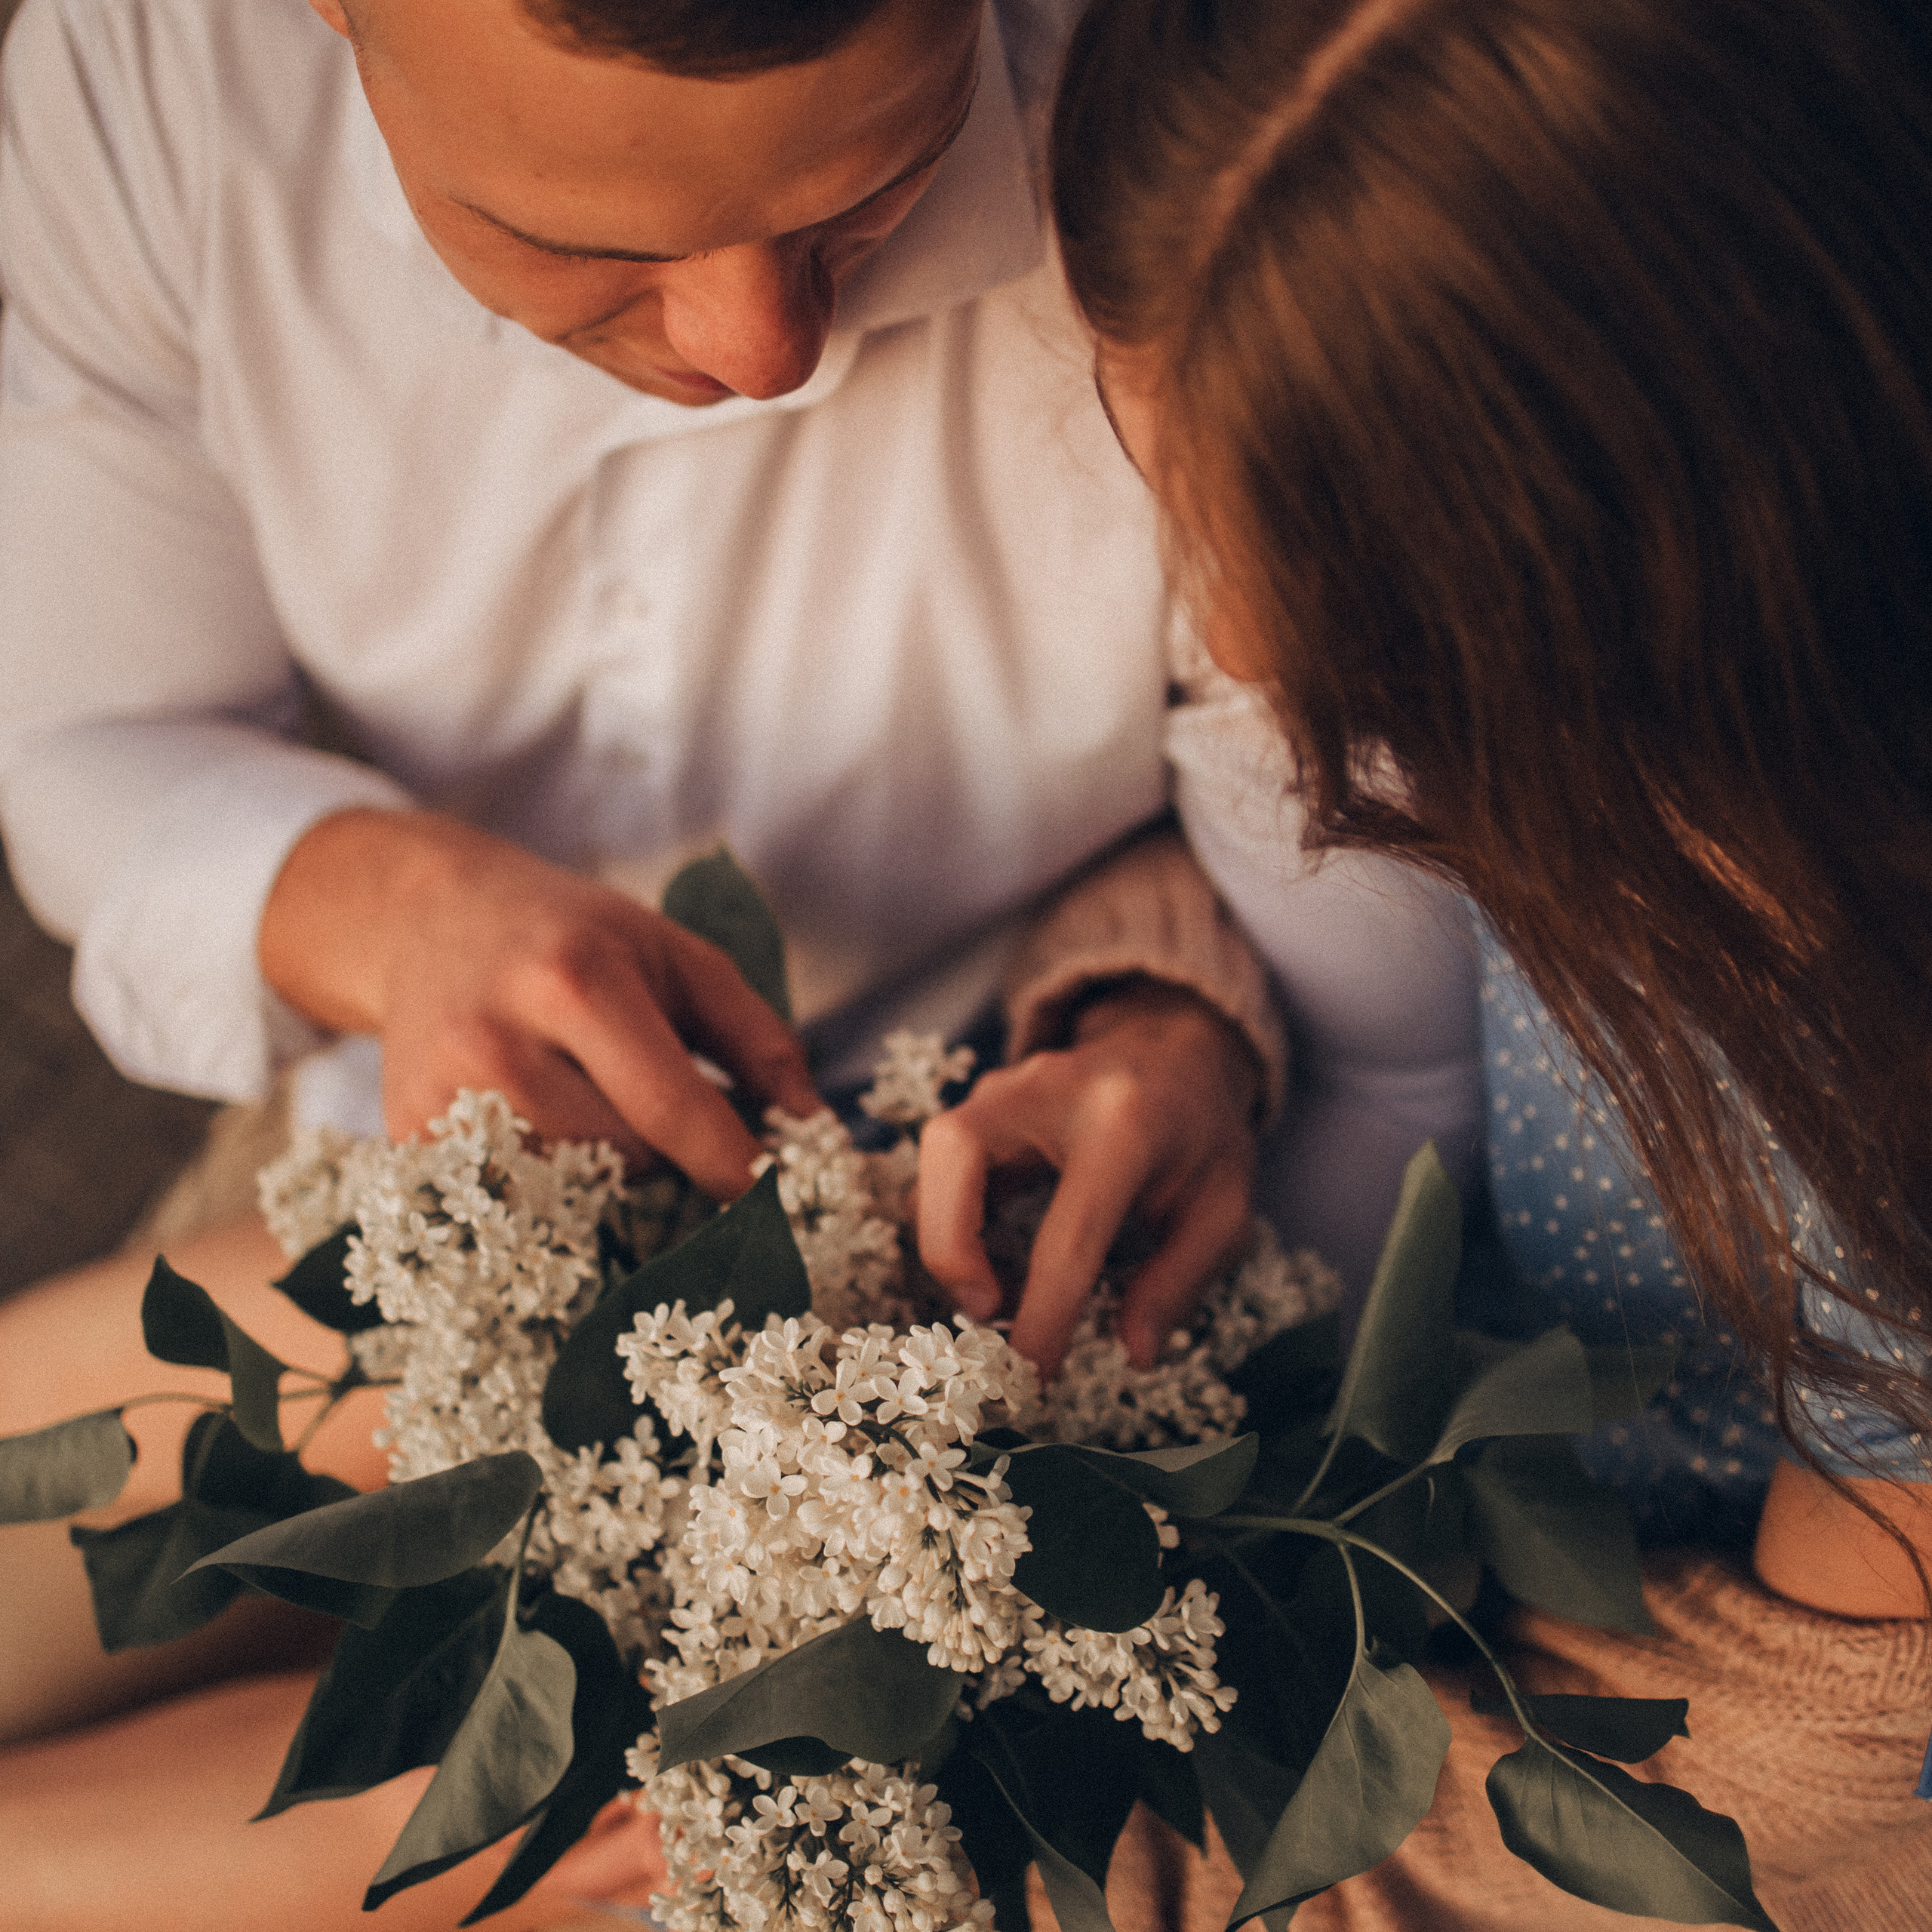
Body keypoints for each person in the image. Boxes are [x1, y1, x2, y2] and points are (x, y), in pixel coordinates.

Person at [0, 0, 1487, 1922]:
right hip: (428, 1211)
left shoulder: (1205, 147)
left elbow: (1395, 1029)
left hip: (1000, 1316)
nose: (757, 347)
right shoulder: (144, 76)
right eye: (582, 242)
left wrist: (1156, 1080)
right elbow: (85, 742)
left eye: (870, 192)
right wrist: (383, 900)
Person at [1048, 0, 1932, 1925]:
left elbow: (1784, 1770)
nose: (1222, 640)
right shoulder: (1615, 712)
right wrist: (1166, 1018)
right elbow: (1290, 869)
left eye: (1341, 622)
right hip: (1424, 1533)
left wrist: (1108, 1815)